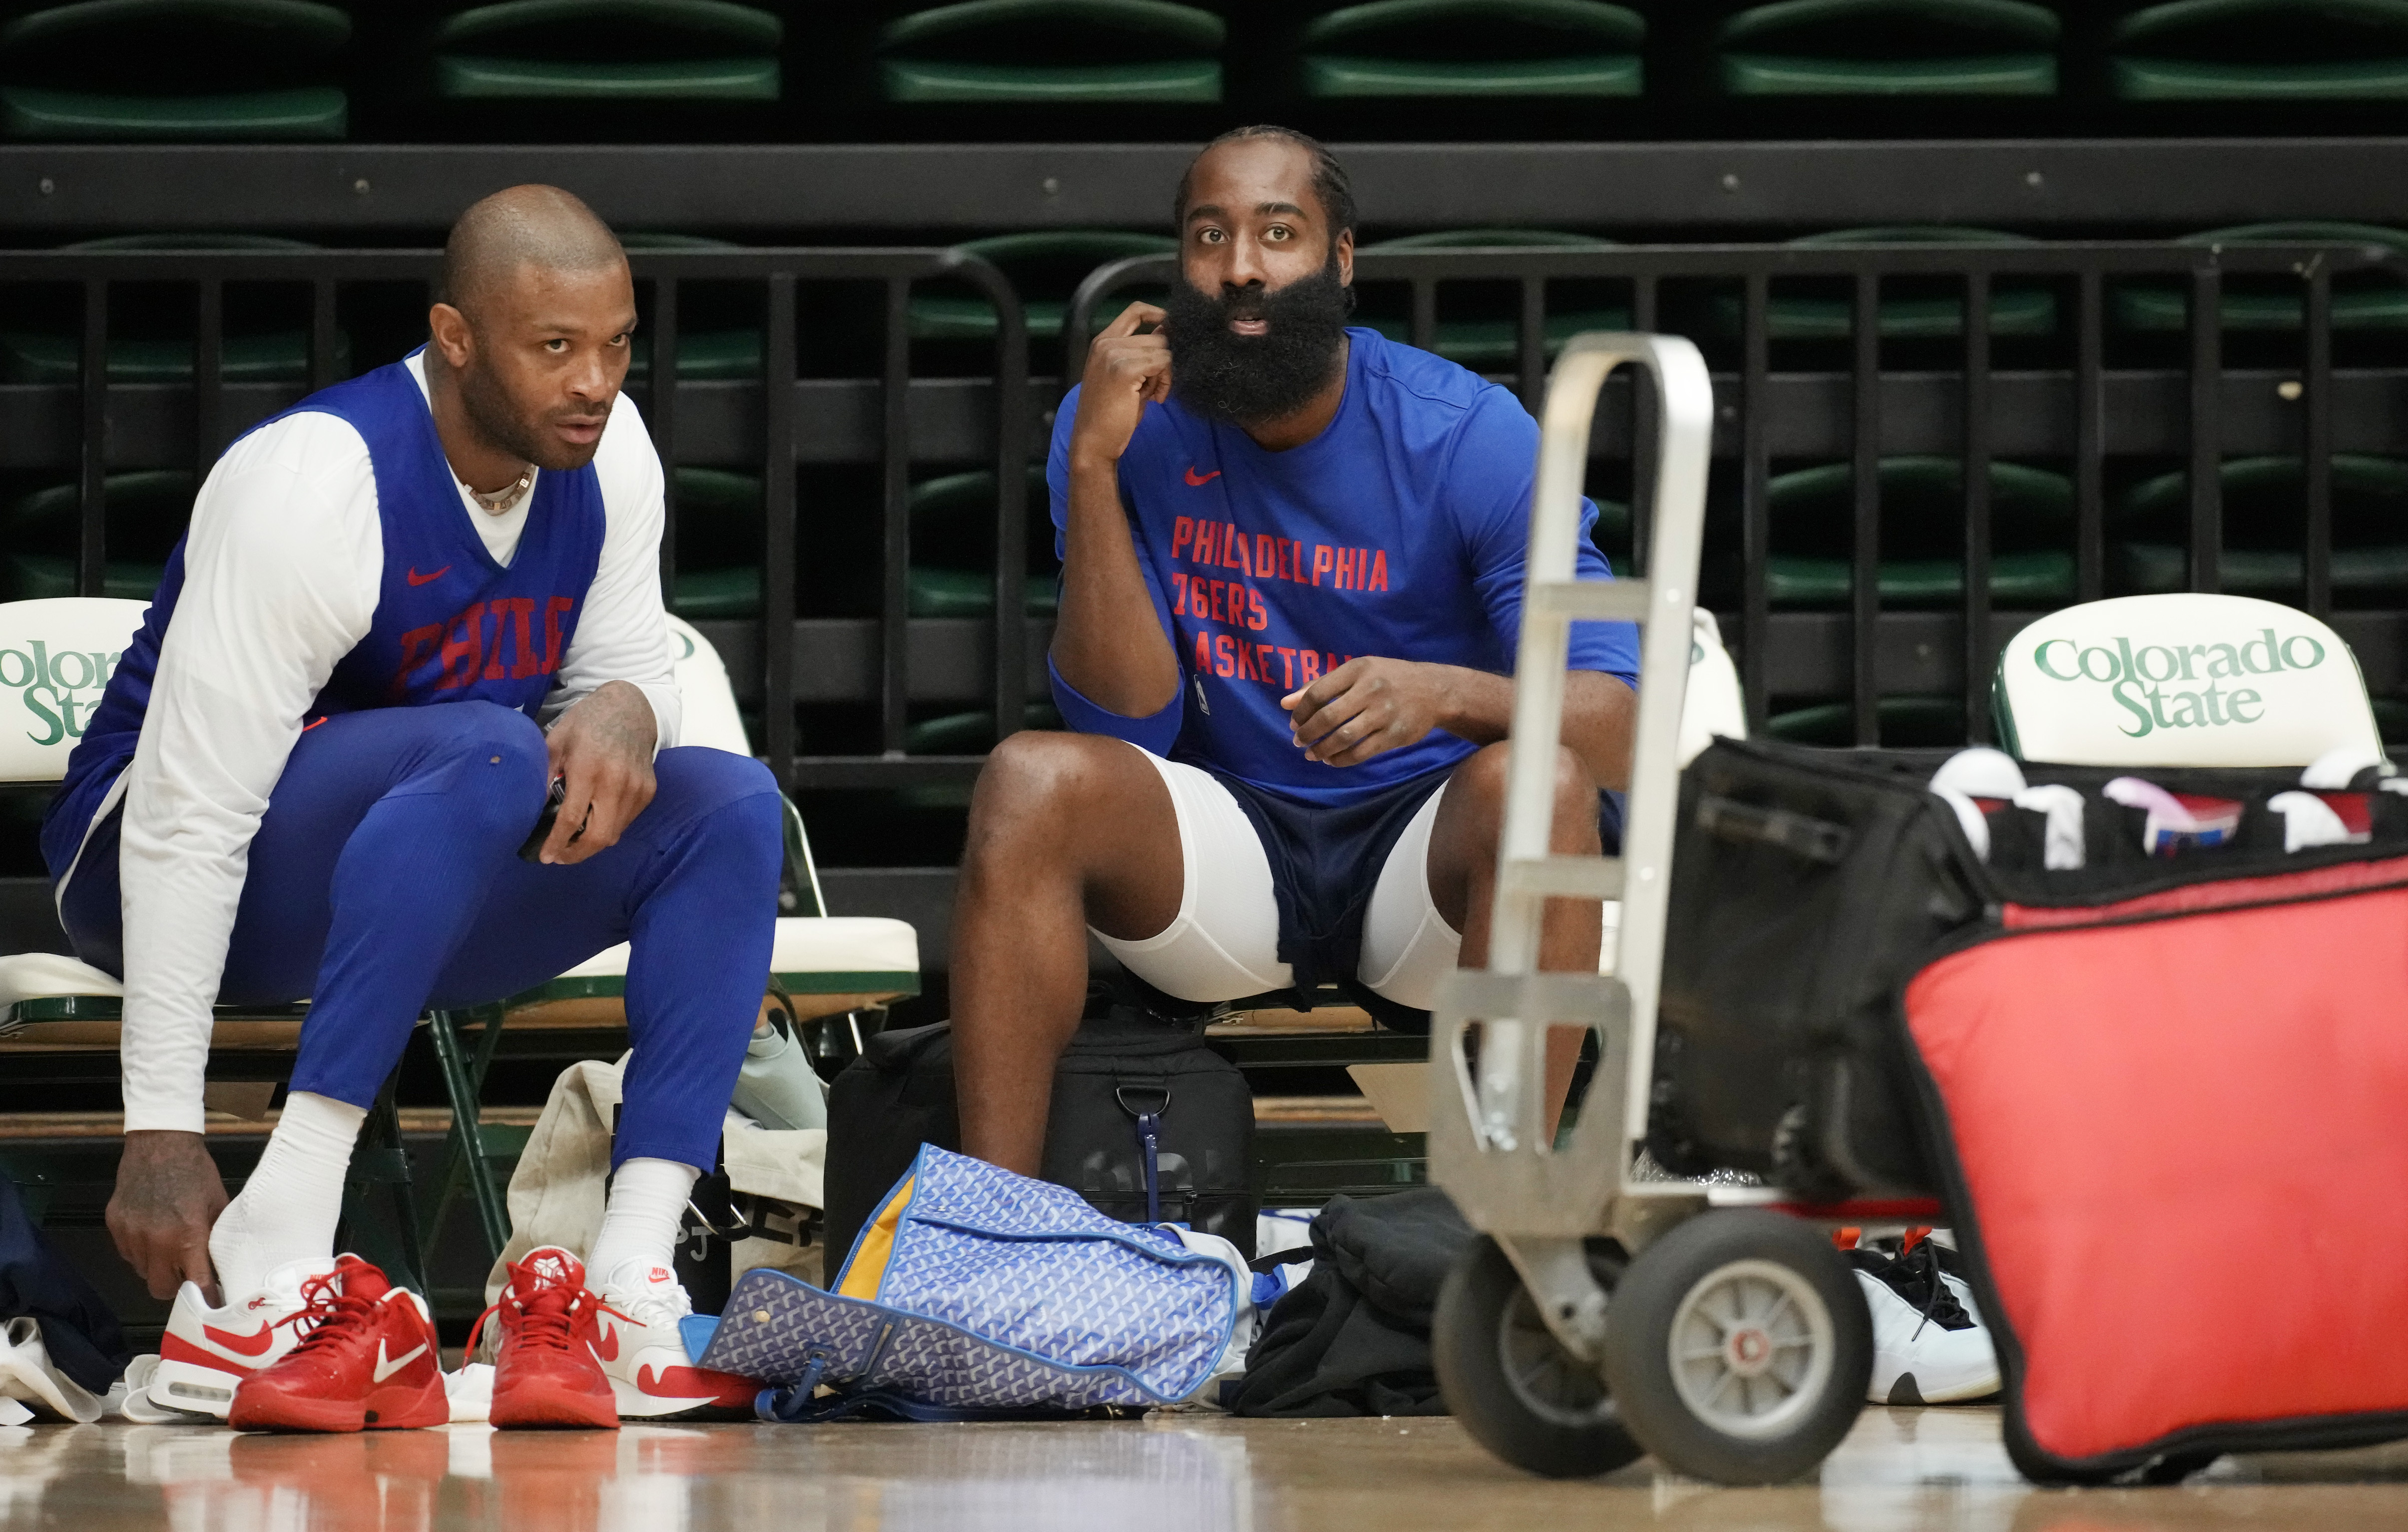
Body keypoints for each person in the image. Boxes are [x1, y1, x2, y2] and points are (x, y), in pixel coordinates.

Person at [41, 185, 771, 1429]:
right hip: (160, 867)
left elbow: (629, 662)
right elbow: (184, 816)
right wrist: (157, 1126)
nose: (594, 380)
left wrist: (632, 708)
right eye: (555, 347)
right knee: (491, 749)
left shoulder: (613, 454)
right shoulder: (311, 485)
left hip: (426, 859)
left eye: (617, 342)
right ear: (455, 337)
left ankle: (629, 1277)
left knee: (730, 805)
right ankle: (289, 1220)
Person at [947, 126, 1641, 1175]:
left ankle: (1501, 1232)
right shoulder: (1128, 422)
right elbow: (1123, 722)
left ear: (1340, 260)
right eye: (1208, 236)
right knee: (1029, 777)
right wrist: (1091, 466)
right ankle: (990, 1229)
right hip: (1234, 841)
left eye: (1278, 233)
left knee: (1535, 780)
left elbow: (1623, 725)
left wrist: (1443, 695)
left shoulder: (1467, 434)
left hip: (1426, 867)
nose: (1239, 268)